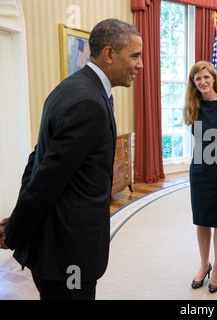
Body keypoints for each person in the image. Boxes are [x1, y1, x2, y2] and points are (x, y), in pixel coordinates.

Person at [0, 18, 143, 300]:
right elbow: (46, 179)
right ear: (110, 53)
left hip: (58, 242)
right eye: (135, 56)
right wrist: (15, 230)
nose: (140, 64)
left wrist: (19, 219)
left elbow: (37, 160)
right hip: (69, 252)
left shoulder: (70, 87)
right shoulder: (88, 103)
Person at [184, 61, 217, 293]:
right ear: (193, 83)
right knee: (201, 219)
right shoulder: (193, 106)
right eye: (197, 79)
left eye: (206, 77)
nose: (202, 82)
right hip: (199, 169)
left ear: (214, 78)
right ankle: (204, 264)